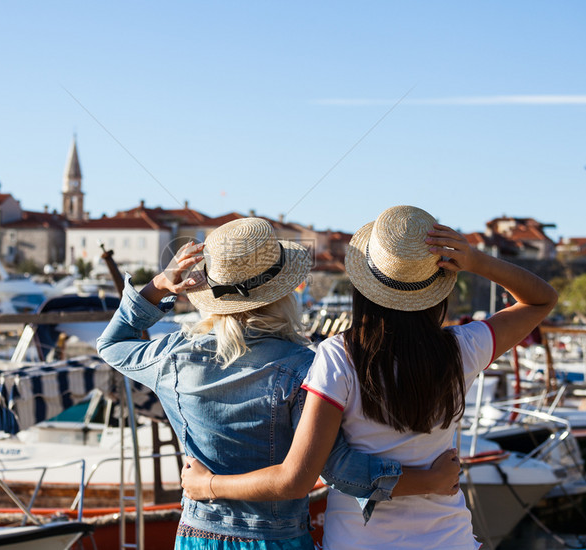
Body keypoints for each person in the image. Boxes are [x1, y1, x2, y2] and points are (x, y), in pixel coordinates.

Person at [181, 206, 558, 549]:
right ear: (438, 289)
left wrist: (206, 485)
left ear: (364, 285)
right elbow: (541, 299)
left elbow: (295, 478)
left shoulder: (339, 357)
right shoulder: (464, 348)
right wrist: (476, 261)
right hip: (450, 540)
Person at [96, 217, 460, 549]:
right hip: (275, 540)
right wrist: (430, 480)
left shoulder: (173, 358)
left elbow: (112, 344)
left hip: (196, 536)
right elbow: (338, 468)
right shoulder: (305, 368)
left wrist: (159, 285)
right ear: (283, 295)